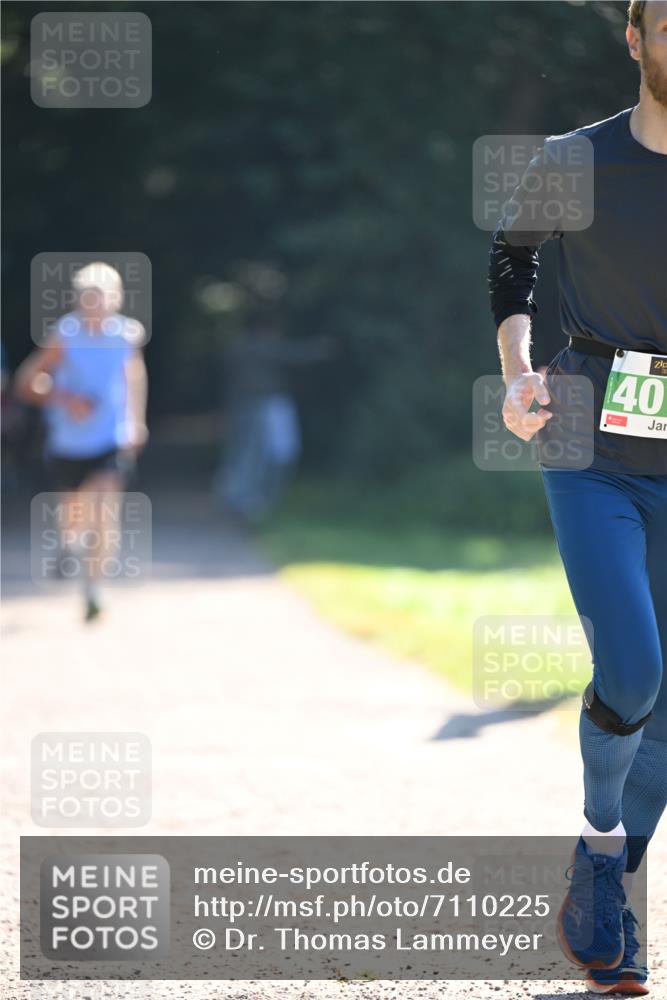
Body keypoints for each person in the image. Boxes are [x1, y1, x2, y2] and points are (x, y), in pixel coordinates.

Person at [488, 1, 666, 993]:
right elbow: (512, 259)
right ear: (635, 41)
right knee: (634, 671)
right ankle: (602, 850)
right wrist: (517, 365)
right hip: (586, 431)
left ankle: (605, 887)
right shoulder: (574, 156)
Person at [15, 262, 148, 621]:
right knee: (74, 513)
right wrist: (65, 399)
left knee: (104, 511)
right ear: (78, 300)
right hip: (69, 441)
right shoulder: (65, 334)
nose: (93, 304)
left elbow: (133, 375)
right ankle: (68, 544)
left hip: (110, 438)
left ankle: (93, 589)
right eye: (87, 297)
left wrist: (136, 420)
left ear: (113, 299)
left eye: (100, 297)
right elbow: (27, 382)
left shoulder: (126, 334)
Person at [213, 317, 335, 524]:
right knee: (258, 453)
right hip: (264, 406)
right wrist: (323, 348)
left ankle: (239, 498)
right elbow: (294, 353)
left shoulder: (238, 348)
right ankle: (249, 500)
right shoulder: (259, 348)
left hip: (246, 405)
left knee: (245, 452)